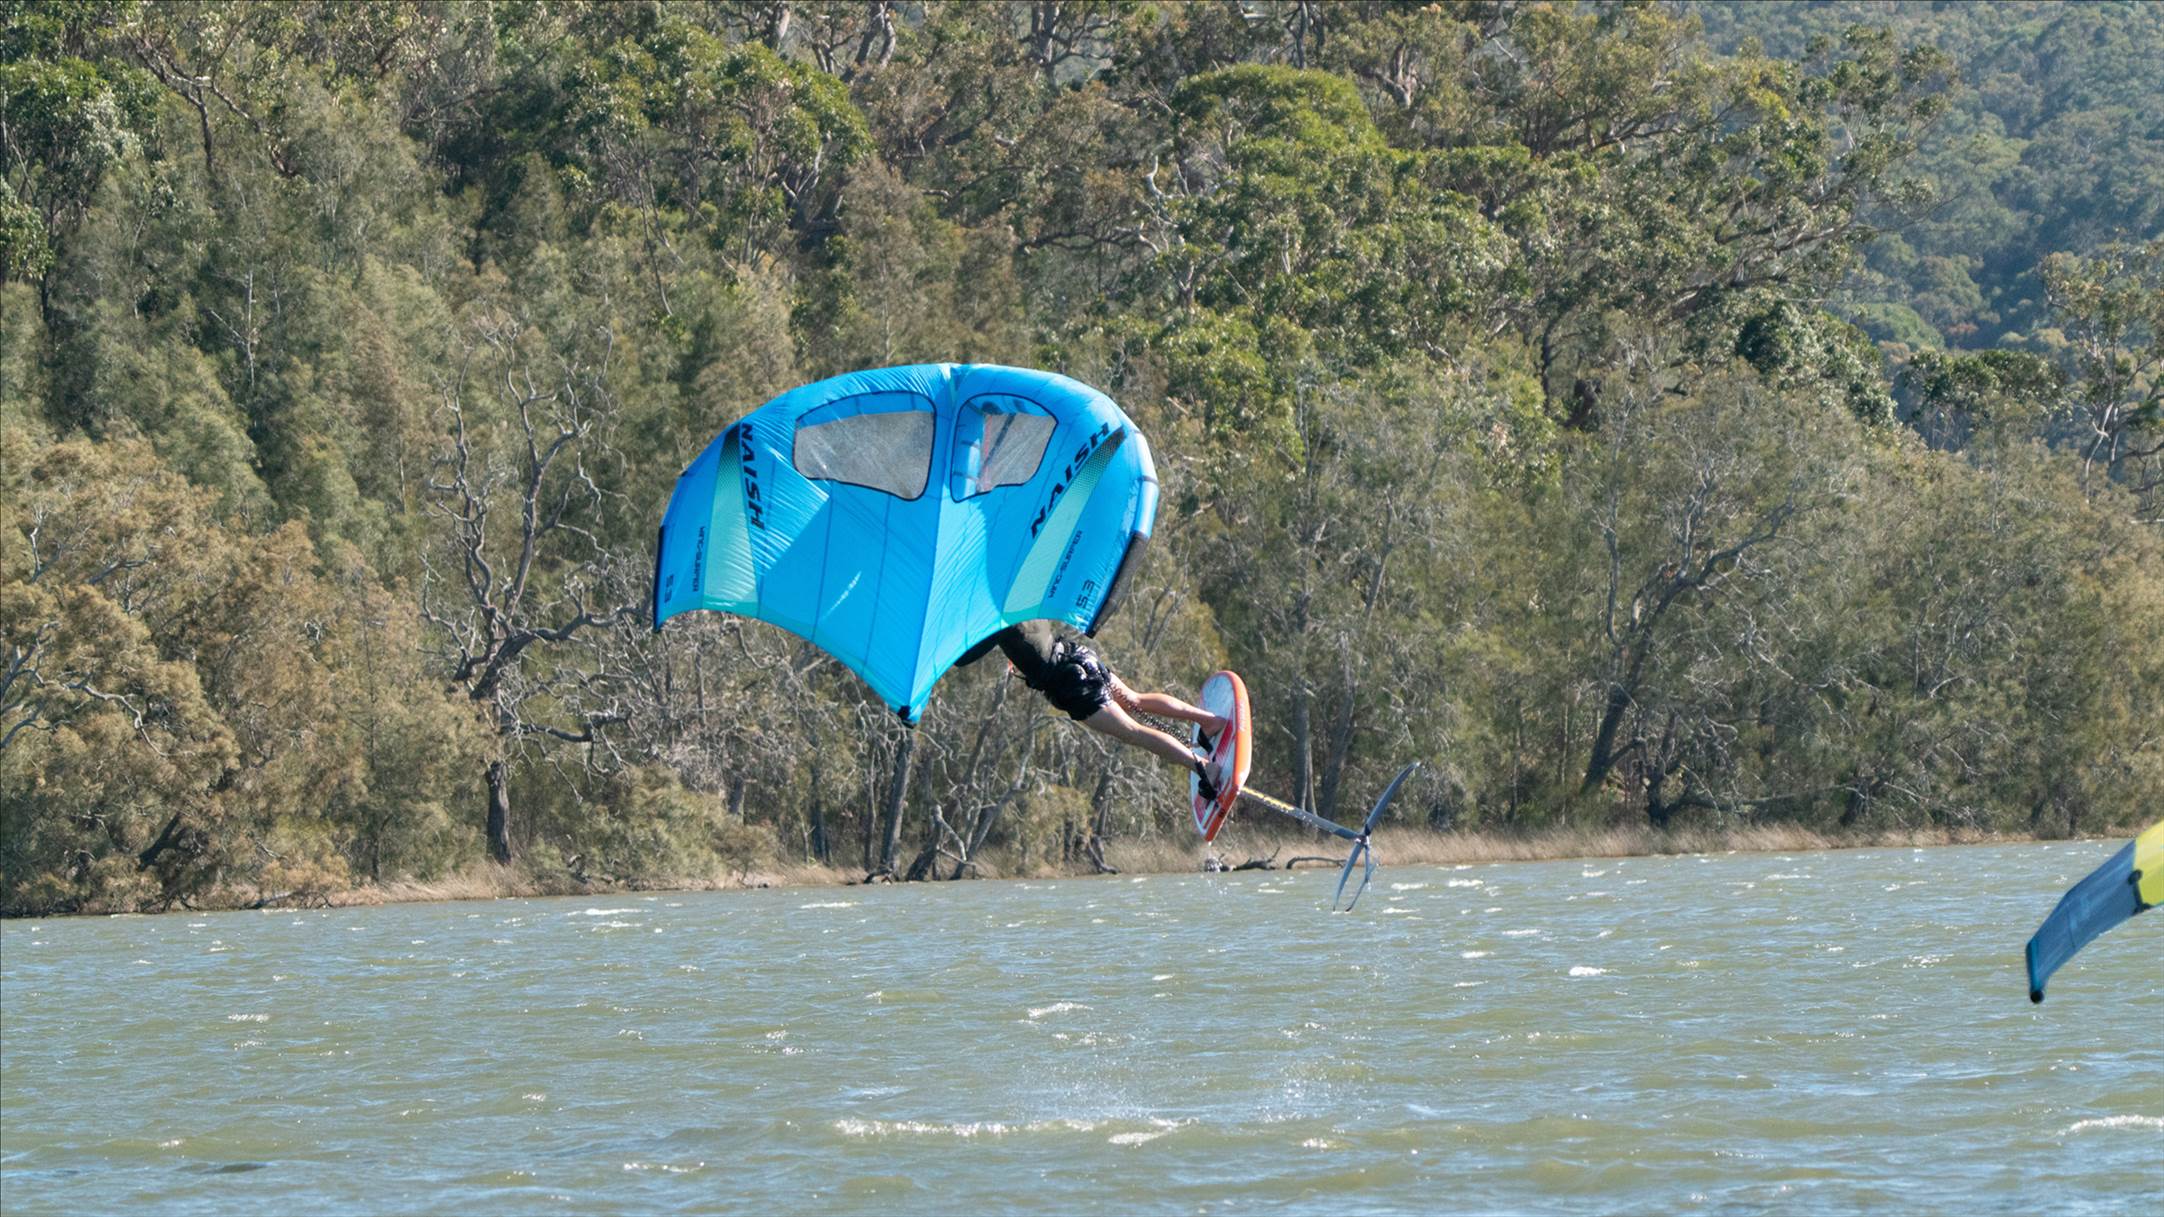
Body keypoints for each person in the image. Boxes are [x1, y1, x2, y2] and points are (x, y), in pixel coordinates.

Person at [956, 620, 1229, 797]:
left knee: (1133, 731)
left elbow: (963, 658)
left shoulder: (997, 620)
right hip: (1077, 655)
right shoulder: (1024, 594)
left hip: (1072, 685)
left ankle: (1205, 768)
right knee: (1135, 699)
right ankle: (1208, 720)